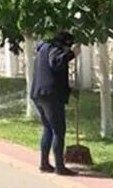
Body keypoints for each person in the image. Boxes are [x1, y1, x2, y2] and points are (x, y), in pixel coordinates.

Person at [30, 31, 80, 175]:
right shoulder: (55, 49)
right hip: (51, 96)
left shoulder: (43, 48)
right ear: (65, 44)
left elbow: (51, 74)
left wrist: (69, 90)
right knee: (59, 130)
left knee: (48, 128)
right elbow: (56, 63)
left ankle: (44, 164)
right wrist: (72, 54)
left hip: (38, 94)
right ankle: (60, 167)